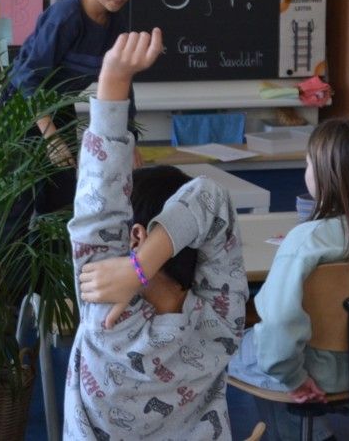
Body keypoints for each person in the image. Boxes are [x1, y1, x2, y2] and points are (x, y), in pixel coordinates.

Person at [67, 29, 249, 440]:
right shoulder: (223, 320)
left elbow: (98, 204)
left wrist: (135, 268)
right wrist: (143, 263)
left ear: (135, 236)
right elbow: (210, 197)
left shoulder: (108, 317)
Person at [227, 119, 349, 441]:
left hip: (307, 370)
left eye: (308, 163)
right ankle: (313, 433)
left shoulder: (307, 240)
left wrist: (294, 379)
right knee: (271, 350)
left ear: (325, 177)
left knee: (222, 348)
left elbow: (280, 325)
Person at [3, 0, 149, 226]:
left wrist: (129, 137)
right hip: (23, 104)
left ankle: (50, 270)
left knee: (61, 197)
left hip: (60, 104)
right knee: (17, 201)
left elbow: (122, 83)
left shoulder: (116, 23)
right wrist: (51, 137)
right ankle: (7, 271)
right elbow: (29, 79)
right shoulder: (66, 16)